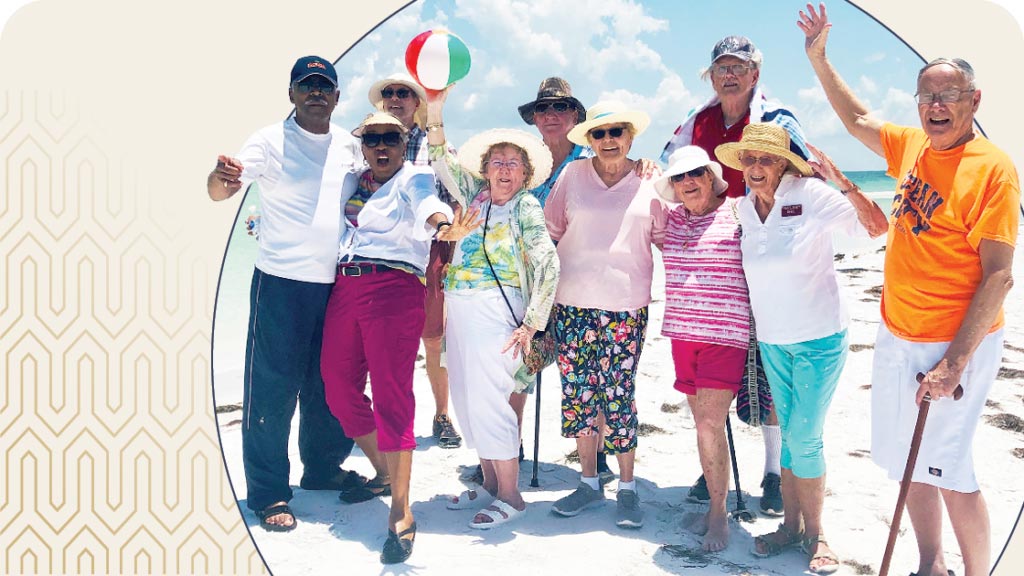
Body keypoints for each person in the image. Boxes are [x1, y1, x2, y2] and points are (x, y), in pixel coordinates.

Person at [799, 4, 1019, 576]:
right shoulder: (914, 147)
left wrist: (955, 363)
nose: (936, 106)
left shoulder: (992, 169)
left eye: (948, 96)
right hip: (899, 334)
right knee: (907, 462)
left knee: (949, 467)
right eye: (926, 97)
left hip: (955, 345)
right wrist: (820, 60)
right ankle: (930, 566)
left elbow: (999, 275)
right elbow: (857, 121)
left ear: (974, 101)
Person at [714, 122, 887, 573]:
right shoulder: (744, 209)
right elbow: (688, 200)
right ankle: (791, 528)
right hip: (773, 341)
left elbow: (876, 228)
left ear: (784, 164)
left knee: (806, 438)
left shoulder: (811, 195)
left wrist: (842, 181)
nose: (755, 167)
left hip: (818, 338)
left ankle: (819, 534)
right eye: (749, 159)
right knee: (790, 437)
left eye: (766, 159)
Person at [206, 55, 365, 533]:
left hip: (336, 284)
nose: (316, 92)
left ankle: (321, 470)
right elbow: (220, 191)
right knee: (271, 392)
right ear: (292, 93)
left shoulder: (350, 146)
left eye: (325, 85)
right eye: (306, 85)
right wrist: (221, 178)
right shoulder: (269, 141)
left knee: (328, 386)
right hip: (279, 284)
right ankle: (270, 492)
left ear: (337, 96)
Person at [661, 34, 814, 517]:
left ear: (755, 74)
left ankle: (771, 472)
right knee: (715, 379)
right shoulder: (696, 121)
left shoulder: (775, 119)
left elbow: (804, 174)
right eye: (721, 67)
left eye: (739, 67)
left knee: (766, 366)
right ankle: (715, 470)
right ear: (712, 76)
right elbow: (670, 170)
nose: (730, 75)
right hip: (716, 251)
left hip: (763, 249)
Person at [319, 112, 467, 564]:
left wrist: (442, 224)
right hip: (345, 285)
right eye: (372, 139)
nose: (381, 147)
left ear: (405, 143)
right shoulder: (355, 181)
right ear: (361, 144)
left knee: (391, 395)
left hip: (394, 286)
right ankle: (384, 472)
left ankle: (402, 512)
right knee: (337, 385)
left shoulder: (414, 177)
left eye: (391, 138)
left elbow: (427, 204)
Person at [425, 86, 560, 529]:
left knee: (493, 403)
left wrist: (532, 325)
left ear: (525, 173)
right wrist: (436, 108)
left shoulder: (525, 208)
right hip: (460, 309)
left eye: (513, 163)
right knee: (465, 399)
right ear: (485, 169)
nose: (504, 170)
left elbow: (548, 264)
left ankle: (511, 495)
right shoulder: (476, 196)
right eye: (497, 162)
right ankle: (487, 484)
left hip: (496, 315)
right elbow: (441, 157)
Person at [545, 101, 667, 529]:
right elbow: (552, 233)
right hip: (572, 304)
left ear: (631, 137)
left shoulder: (653, 179)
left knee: (619, 395)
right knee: (579, 396)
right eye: (599, 134)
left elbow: (670, 239)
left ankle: (628, 488)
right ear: (589, 140)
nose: (609, 140)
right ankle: (589, 481)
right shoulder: (573, 175)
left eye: (617, 132)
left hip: (626, 307)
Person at [517, 76, 615, 484]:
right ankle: (511, 448)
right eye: (543, 109)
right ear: (534, 119)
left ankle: (603, 456)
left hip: (584, 282)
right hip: (527, 282)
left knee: (594, 373)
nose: (551, 116)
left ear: (576, 114)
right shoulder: (524, 162)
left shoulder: (595, 159)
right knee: (519, 369)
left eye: (560, 108)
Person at [654, 146, 745, 552]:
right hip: (681, 335)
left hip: (726, 335)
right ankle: (714, 502)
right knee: (702, 426)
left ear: (711, 176)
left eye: (695, 174)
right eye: (679, 178)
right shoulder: (671, 220)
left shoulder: (740, 213)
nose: (688, 182)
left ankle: (719, 515)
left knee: (710, 424)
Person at [368, 72, 462, 450]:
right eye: (388, 93)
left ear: (417, 102)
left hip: (428, 256)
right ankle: (390, 419)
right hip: (380, 257)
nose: (395, 98)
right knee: (385, 343)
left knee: (434, 341)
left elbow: (459, 194)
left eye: (403, 93)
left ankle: (442, 415)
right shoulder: (367, 143)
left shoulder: (435, 145)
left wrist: (449, 235)